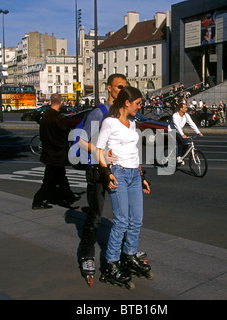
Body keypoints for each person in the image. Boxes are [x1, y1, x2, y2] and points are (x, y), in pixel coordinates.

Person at [96, 86, 152, 287]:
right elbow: (99, 150)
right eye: (137, 103)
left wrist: (141, 175)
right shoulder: (110, 123)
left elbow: (133, 151)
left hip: (134, 175)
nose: (140, 106)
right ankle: (111, 262)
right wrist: (107, 172)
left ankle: (128, 255)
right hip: (118, 172)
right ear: (126, 103)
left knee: (136, 220)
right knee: (121, 221)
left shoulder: (131, 123)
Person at [77, 73, 127, 280]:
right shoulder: (100, 113)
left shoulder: (124, 113)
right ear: (109, 88)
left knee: (124, 217)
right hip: (97, 170)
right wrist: (101, 153)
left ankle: (124, 253)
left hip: (119, 170)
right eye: (119, 87)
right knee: (96, 216)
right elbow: (81, 141)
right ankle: (87, 254)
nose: (123, 90)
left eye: (125, 87)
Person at [32, 93, 79, 210]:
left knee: (60, 177)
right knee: (50, 181)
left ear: (50, 101)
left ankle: (69, 197)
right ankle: (37, 201)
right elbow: (66, 132)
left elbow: (42, 136)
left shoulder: (45, 116)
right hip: (57, 153)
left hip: (49, 152)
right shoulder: (57, 118)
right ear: (61, 102)